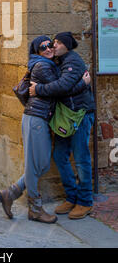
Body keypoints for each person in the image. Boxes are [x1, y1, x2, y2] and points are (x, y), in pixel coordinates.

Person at [0, 35, 89, 224]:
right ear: (36, 51)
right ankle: (35, 209)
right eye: (43, 47)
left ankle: (11, 192)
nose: (48, 49)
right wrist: (83, 84)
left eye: (50, 45)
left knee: (42, 164)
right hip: (35, 120)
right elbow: (62, 88)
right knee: (35, 164)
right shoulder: (43, 66)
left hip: (41, 120)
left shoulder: (49, 63)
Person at [29, 32, 96, 220]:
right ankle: (71, 197)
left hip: (80, 115)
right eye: (52, 43)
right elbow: (62, 90)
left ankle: (85, 201)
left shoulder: (73, 61)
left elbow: (62, 88)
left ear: (66, 45)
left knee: (81, 158)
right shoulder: (58, 62)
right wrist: (82, 84)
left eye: (57, 43)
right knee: (60, 156)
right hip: (65, 118)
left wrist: (38, 89)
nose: (53, 45)